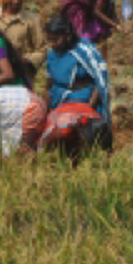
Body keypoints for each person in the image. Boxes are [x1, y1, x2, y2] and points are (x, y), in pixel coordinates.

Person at [40, 17, 112, 158]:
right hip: (59, 102)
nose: (53, 44)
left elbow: (99, 80)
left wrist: (89, 107)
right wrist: (46, 109)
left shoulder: (85, 50)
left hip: (83, 101)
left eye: (56, 39)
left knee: (83, 141)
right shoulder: (52, 54)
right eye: (50, 39)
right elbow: (48, 83)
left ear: (67, 36)